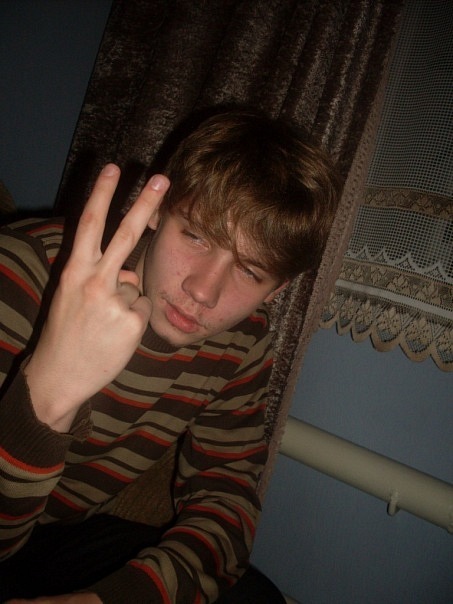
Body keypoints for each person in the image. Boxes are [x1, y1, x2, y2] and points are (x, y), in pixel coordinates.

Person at [0, 109, 339, 603]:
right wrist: (48, 396)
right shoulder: (22, 274)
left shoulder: (243, 341)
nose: (204, 291)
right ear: (156, 209)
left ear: (276, 289)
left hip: (57, 539)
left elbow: (225, 495)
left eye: (249, 271)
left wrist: (116, 598)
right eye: (197, 235)